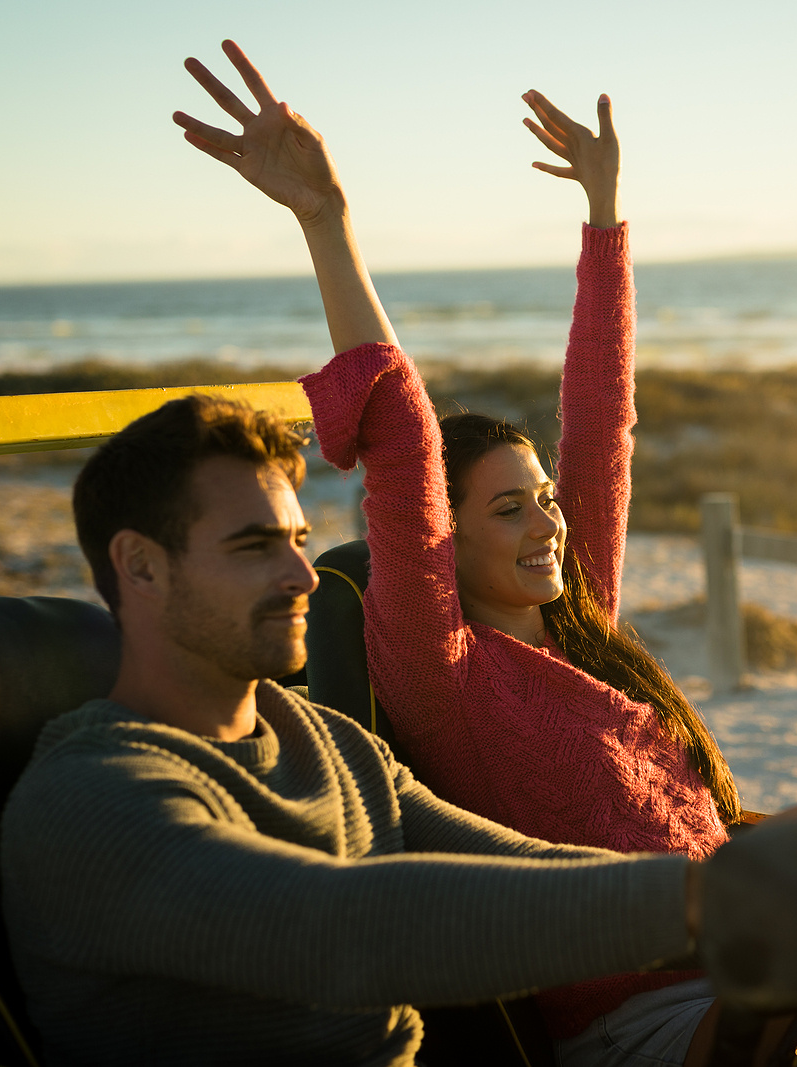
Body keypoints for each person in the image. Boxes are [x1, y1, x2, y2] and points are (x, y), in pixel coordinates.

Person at [0, 391, 797, 1067]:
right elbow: (342, 927)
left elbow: (531, 864)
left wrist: (770, 875)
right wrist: (716, 897)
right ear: (138, 565)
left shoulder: (333, 748)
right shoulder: (96, 796)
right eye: (255, 544)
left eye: (303, 539)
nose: (307, 574)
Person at [169, 38, 740, 1062]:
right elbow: (402, 435)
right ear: (447, 539)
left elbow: (602, 418)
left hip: (744, 952)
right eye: (511, 509)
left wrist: (604, 212)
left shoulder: (582, 620)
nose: (548, 522)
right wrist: (325, 217)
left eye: (548, 500)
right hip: (645, 1022)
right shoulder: (448, 672)